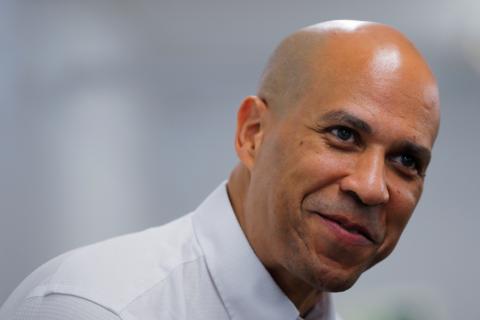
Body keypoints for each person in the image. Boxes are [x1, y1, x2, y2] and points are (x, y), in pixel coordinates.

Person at [0, 20, 440, 320]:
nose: (371, 188)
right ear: (253, 133)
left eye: (406, 161)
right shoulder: (97, 308)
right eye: (343, 135)